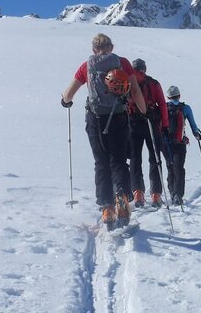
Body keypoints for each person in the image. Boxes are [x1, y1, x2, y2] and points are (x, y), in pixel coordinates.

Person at [61, 33, 147, 230]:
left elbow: (69, 93)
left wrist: (65, 100)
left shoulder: (87, 66)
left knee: (101, 162)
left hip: (95, 120)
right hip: (118, 118)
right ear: (112, 47)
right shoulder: (123, 63)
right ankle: (122, 200)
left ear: (93, 50)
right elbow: (135, 90)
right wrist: (144, 111)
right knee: (118, 160)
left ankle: (107, 209)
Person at [126, 58, 169, 208]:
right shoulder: (153, 83)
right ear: (145, 69)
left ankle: (137, 193)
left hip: (133, 124)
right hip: (152, 123)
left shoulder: (128, 82)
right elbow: (162, 104)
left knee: (135, 159)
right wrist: (165, 125)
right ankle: (156, 195)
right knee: (155, 158)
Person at [162, 85, 201, 206]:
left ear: (168, 97)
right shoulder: (185, 108)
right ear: (179, 96)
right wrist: (196, 134)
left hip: (165, 143)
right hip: (180, 143)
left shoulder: (163, 107)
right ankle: (178, 195)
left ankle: (172, 192)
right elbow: (192, 124)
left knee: (170, 166)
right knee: (179, 168)